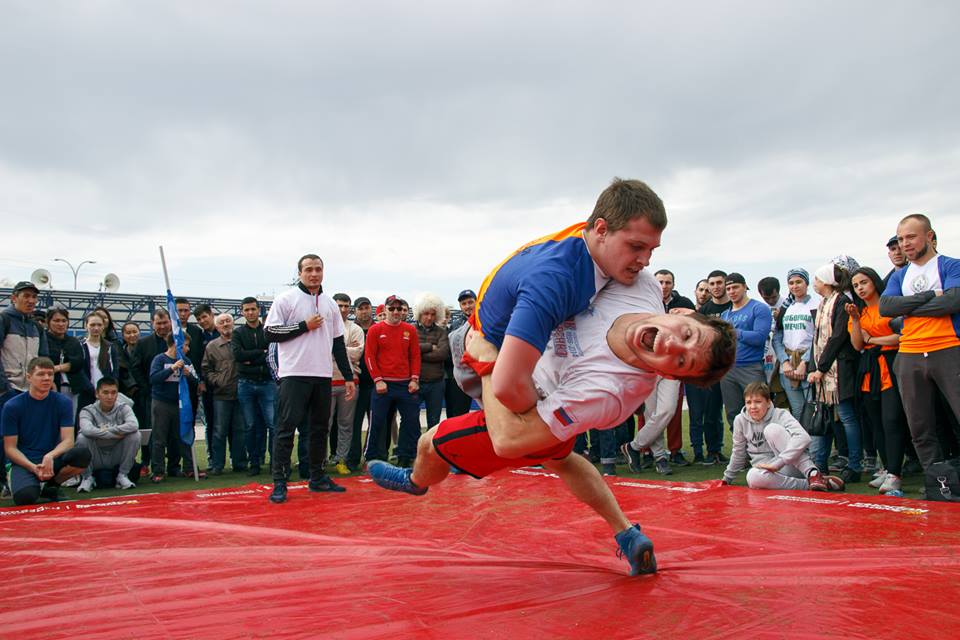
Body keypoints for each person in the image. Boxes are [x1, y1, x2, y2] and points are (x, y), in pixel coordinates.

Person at [369, 273, 736, 576]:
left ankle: (416, 481)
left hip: (530, 413)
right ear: (684, 313)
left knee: (429, 443)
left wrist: (487, 362)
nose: (672, 344)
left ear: (667, 375)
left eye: (682, 362)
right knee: (563, 459)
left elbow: (509, 438)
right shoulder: (638, 286)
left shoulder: (611, 392)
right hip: (548, 410)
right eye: (687, 334)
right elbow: (595, 248)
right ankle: (626, 533)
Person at [457, 178, 666, 415]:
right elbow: (507, 385)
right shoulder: (554, 282)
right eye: (636, 246)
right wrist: (548, 423)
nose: (646, 261)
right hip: (481, 356)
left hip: (508, 353)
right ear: (601, 230)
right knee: (527, 441)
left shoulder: (589, 245)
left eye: (651, 249)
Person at [263, 254, 355, 504]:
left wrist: (348, 376)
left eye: (318, 269)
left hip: (322, 375)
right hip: (293, 374)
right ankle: (280, 482)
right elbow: (270, 332)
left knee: (319, 429)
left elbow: (338, 343)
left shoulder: (330, 303)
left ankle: (317, 477)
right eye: (308, 270)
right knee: (285, 429)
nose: (314, 274)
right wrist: (303, 325)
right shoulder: (286, 299)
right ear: (300, 273)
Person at [880, 213, 960, 472]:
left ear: (930, 236)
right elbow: (886, 307)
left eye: (911, 237)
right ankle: (938, 481)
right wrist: (930, 296)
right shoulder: (899, 276)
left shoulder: (950, 265)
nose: (905, 243)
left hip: (948, 347)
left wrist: (908, 310)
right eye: (901, 238)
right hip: (910, 353)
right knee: (920, 426)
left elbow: (952, 301)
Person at [847, 267, 910, 494]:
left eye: (864, 282)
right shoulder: (859, 313)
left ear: (874, 281)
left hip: (892, 364)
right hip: (869, 369)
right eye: (855, 285)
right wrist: (855, 320)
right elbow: (857, 345)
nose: (860, 288)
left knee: (892, 419)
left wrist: (873, 338)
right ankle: (887, 468)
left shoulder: (890, 305)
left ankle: (895, 473)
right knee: (875, 422)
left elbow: (901, 336)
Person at [721, 382, 844, 491]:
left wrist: (779, 462)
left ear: (769, 403)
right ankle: (811, 484)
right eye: (748, 402)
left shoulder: (780, 414)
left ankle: (813, 474)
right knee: (752, 477)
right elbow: (738, 452)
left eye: (758, 402)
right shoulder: (740, 420)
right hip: (767, 472)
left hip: (791, 466)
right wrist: (726, 479)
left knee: (772, 429)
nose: (753, 407)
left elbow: (804, 437)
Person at [2, 357, 90, 505]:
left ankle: (52, 486)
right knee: (25, 498)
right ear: (29, 377)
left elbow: (68, 440)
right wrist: (32, 467)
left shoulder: (63, 402)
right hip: (26, 461)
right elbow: (10, 448)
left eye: (50, 374)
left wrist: (50, 456)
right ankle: (22, 482)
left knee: (82, 454)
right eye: (41, 374)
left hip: (52, 459)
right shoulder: (12, 406)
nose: (46, 378)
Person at [807, 260, 863, 483]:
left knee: (847, 417)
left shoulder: (841, 302)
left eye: (818, 280)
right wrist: (816, 367)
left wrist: (821, 368)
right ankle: (820, 463)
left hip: (840, 368)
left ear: (828, 282)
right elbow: (816, 340)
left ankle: (855, 464)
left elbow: (838, 336)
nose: (815, 284)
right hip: (825, 369)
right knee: (826, 416)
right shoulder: (822, 304)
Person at [1, 281, 49, 496]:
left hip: (31, 391)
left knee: (30, 436)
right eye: (26, 296)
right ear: (14, 297)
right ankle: (2, 480)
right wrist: (4, 387)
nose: (31, 301)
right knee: (4, 437)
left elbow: (45, 359)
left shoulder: (36, 326)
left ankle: (32, 476)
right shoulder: (3, 320)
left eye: (34, 297)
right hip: (8, 389)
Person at [364, 295, 422, 467]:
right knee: (378, 422)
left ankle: (406, 456)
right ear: (385, 310)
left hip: (406, 384)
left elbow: (415, 355)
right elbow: (369, 356)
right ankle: (372, 458)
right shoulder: (375, 330)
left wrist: (414, 379)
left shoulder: (409, 330)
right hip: (384, 384)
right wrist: (378, 380)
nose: (395, 312)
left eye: (399, 308)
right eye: (392, 308)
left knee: (411, 421)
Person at [719, 273, 772, 432]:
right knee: (733, 414)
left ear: (744, 287)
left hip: (751, 367)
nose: (731, 291)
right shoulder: (725, 314)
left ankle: (764, 450)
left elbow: (760, 337)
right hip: (729, 369)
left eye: (735, 287)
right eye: (728, 288)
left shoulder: (758, 308)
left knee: (758, 410)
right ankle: (741, 452)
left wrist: (735, 332)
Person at [690, 270, 731, 464]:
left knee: (731, 413)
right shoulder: (704, 310)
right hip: (712, 368)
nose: (715, 287)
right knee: (711, 412)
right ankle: (712, 450)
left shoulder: (733, 305)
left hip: (734, 367)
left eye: (719, 283)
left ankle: (729, 451)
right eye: (712, 283)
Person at [148, 333, 202, 482]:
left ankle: (189, 468)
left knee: (183, 436)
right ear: (176, 344)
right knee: (160, 438)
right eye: (185, 345)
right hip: (161, 403)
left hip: (180, 403)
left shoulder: (187, 361)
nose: (187, 348)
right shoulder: (160, 359)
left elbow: (195, 381)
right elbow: (154, 379)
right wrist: (171, 369)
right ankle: (158, 471)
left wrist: (188, 375)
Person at [232, 297, 274, 476]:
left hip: (268, 383)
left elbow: (271, 354)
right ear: (242, 312)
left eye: (253, 309)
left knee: (273, 424)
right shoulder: (238, 333)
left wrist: (252, 358)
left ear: (259, 310)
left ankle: (276, 462)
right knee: (250, 425)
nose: (250, 313)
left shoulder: (268, 331)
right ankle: (254, 463)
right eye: (246, 310)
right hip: (246, 384)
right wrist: (260, 353)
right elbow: (238, 356)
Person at [76, 377, 141, 492]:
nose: (110, 397)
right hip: (96, 455)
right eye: (105, 392)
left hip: (116, 454)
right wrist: (115, 433)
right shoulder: (87, 411)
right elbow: (86, 430)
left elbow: (133, 425)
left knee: (135, 435)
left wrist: (103, 432)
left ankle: (123, 475)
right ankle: (87, 478)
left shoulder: (124, 407)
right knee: (82, 438)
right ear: (97, 394)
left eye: (113, 392)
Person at [202, 313, 247, 475]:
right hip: (221, 395)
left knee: (240, 430)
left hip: (241, 393)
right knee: (219, 431)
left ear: (233, 323)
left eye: (228, 321)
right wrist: (217, 381)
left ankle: (240, 463)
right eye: (222, 322)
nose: (226, 324)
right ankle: (217, 464)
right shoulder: (212, 346)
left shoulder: (241, 340)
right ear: (217, 327)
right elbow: (206, 369)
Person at [773, 268, 817, 418]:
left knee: (812, 410)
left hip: (809, 363)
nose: (795, 286)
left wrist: (805, 362)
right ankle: (800, 442)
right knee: (797, 412)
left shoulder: (815, 304)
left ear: (807, 283)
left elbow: (818, 336)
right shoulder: (786, 308)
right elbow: (777, 336)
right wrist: (784, 361)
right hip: (788, 366)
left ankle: (815, 442)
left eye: (799, 282)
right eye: (791, 283)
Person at [329, 293, 364, 475]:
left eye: (346, 306)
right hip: (327, 381)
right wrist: (343, 349)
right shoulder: (324, 326)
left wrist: (336, 349)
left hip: (350, 382)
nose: (343, 309)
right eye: (339, 305)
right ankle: (318, 461)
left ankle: (341, 459)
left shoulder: (355, 328)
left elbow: (357, 353)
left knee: (346, 423)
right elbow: (322, 351)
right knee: (323, 424)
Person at [414, 292, 450, 431]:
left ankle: (432, 451)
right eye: (426, 313)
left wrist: (418, 352)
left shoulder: (442, 332)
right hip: (415, 382)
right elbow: (408, 351)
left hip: (436, 383)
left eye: (433, 314)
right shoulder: (411, 330)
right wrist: (430, 347)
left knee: (434, 422)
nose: (429, 317)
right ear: (419, 313)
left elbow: (442, 354)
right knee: (411, 418)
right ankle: (412, 450)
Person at [347, 296, 375, 471]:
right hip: (356, 382)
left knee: (376, 423)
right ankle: (352, 458)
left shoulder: (378, 328)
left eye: (367, 307)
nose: (364, 311)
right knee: (353, 423)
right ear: (355, 311)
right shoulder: (351, 329)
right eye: (361, 308)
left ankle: (371, 457)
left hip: (375, 383)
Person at [76, 312, 121, 414]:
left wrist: (109, 389)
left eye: (99, 325)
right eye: (92, 325)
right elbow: (79, 370)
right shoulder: (80, 346)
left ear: (104, 326)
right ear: (86, 325)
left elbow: (115, 370)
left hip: (106, 394)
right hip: (86, 393)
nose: (96, 328)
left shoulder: (110, 347)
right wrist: (91, 389)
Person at [45, 307, 84, 415]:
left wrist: (57, 368)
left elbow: (79, 363)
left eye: (64, 321)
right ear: (48, 322)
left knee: (69, 420)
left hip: (72, 388)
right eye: (56, 321)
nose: (61, 324)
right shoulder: (43, 339)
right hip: (50, 386)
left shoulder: (73, 341)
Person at [444, 290, 476, 419]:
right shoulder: (455, 325)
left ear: (476, 302)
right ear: (460, 306)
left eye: (470, 302)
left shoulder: (487, 319)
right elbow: (449, 351)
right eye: (464, 303)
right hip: (461, 374)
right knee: (458, 414)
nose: (467, 306)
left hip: (482, 372)